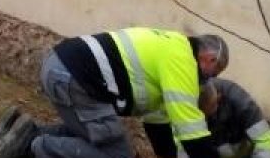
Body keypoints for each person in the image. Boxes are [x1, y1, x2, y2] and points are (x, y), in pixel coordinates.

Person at [31, 27, 229, 158]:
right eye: (215, 72)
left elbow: (158, 127)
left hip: (64, 68)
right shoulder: (183, 61)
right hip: (75, 77)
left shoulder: (174, 48)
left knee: (102, 139)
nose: (209, 79)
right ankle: (38, 148)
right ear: (210, 59)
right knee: (118, 154)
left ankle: (28, 134)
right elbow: (192, 132)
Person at [180, 79, 270, 158]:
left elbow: (267, 142)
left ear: (218, 97)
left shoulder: (238, 99)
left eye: (212, 109)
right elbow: (180, 149)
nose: (207, 118)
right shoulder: (181, 108)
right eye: (203, 116)